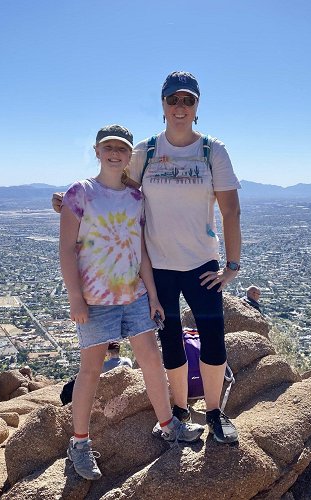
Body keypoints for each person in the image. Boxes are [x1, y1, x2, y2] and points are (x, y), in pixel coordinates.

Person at [55, 72, 242, 444]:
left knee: (213, 338)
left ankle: (216, 412)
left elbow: (231, 211)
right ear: (162, 104)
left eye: (188, 100)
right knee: (170, 339)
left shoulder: (211, 150)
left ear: (197, 107)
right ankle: (177, 411)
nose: (180, 107)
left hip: (202, 262)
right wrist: (72, 204)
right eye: (174, 100)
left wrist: (231, 266)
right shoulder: (145, 151)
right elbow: (116, 185)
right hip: (158, 264)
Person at [59, 124, 204, 481]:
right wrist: (75, 297)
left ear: (128, 156)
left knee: (151, 360)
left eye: (121, 148)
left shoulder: (136, 198)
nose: (114, 153)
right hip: (95, 300)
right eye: (107, 147)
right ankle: (79, 444)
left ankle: (169, 425)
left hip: (135, 295)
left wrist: (153, 296)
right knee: (90, 372)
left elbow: (141, 251)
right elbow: (65, 249)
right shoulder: (80, 192)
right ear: (96, 151)